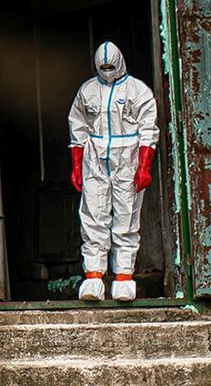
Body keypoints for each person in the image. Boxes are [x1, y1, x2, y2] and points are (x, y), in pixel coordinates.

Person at [67, 40, 159, 302]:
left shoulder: (137, 91)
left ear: (119, 63)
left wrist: (144, 166)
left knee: (126, 217)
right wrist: (76, 166)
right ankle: (94, 278)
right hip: (95, 159)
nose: (106, 70)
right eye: (102, 66)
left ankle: (123, 278)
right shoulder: (88, 90)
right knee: (93, 216)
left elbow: (148, 130)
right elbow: (77, 128)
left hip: (127, 160)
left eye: (110, 66)